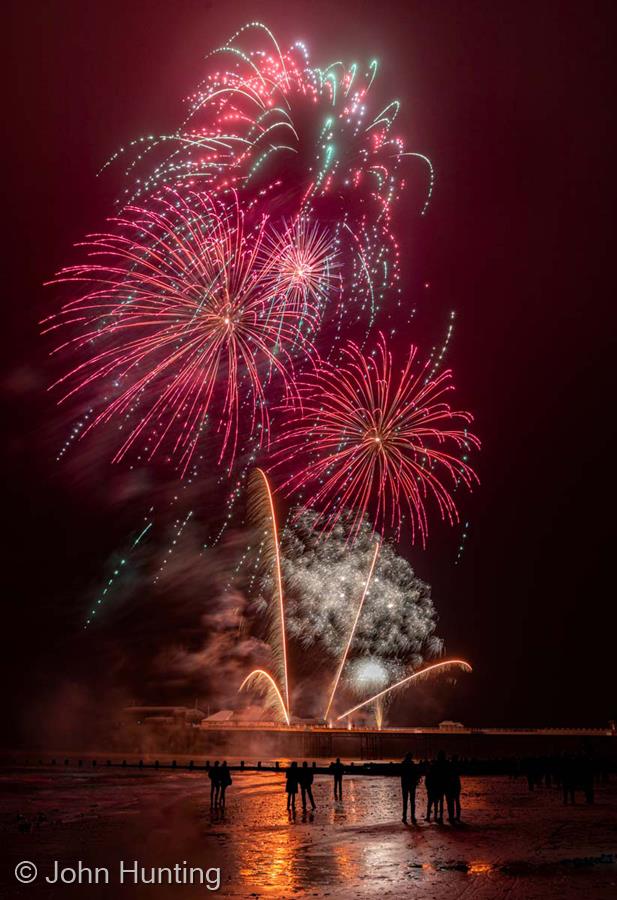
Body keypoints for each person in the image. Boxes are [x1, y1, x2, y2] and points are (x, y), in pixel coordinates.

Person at [400, 752, 419, 824]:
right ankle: (413, 817)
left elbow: (401, 774)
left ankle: (404, 817)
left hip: (404, 785)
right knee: (412, 801)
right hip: (412, 785)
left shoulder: (403, 764)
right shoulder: (412, 764)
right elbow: (416, 774)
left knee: (405, 801)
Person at [445, 755, 462, 823]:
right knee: (457, 801)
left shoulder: (450, 766)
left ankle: (451, 817)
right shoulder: (457, 766)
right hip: (457, 785)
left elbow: (448, 775)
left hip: (451, 785)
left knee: (450, 802)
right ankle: (457, 817)